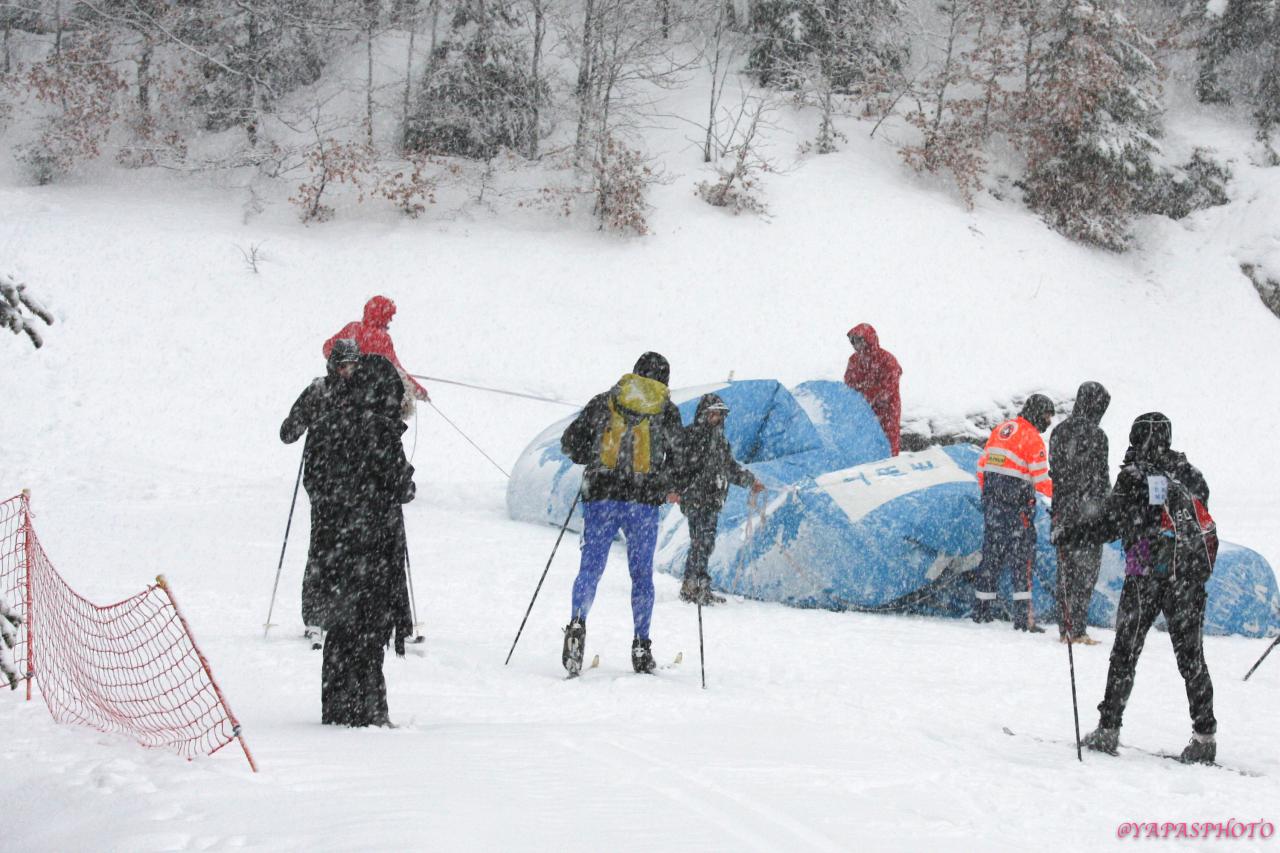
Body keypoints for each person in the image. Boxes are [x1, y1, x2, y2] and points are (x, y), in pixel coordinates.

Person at [1079, 413, 1218, 764]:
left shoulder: (1133, 475)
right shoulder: (1188, 474)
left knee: (1126, 650)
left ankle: (1108, 727)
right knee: (1192, 657)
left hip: (1145, 566)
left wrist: (1072, 533)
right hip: (1187, 573)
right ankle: (1205, 736)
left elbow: (1110, 523)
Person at [304, 354, 416, 726]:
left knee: (340, 630)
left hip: (332, 545)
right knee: (369, 634)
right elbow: (399, 486)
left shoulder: (326, 424)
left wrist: (339, 509)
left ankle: (336, 708)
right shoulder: (382, 431)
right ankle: (369, 711)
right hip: (374, 549)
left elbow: (314, 481)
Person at [559, 352, 685, 676]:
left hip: (601, 497)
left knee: (591, 568)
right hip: (643, 503)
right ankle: (641, 645)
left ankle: (577, 623)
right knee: (642, 575)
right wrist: (667, 485)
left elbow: (571, 442)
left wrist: (595, 460)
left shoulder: (606, 400)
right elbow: (681, 458)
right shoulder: (666, 410)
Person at [280, 339, 362, 639]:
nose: (348, 372)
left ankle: (347, 614)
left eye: (353, 366)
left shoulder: (362, 393)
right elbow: (288, 433)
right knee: (323, 549)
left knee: (352, 552)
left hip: (355, 485)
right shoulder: (318, 391)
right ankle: (316, 616)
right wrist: (306, 418)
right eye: (343, 366)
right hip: (324, 484)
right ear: (333, 366)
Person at [973, 394, 1055, 631]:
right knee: (1023, 560)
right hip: (1017, 507)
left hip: (993, 504)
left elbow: (982, 467)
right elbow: (1041, 481)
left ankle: (981, 611)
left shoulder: (1002, 429)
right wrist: (1064, 494)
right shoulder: (1032, 439)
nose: (1048, 422)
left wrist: (991, 496)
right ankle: (1023, 619)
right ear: (1039, 413)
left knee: (991, 555)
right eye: (1048, 416)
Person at [673, 394, 764, 606]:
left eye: (720, 415)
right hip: (695, 497)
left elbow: (730, 468)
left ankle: (696, 584)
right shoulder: (690, 436)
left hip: (712, 499)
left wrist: (750, 482)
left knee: (706, 541)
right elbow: (677, 467)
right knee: (700, 541)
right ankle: (693, 585)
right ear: (704, 414)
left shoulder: (720, 441)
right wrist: (677, 489)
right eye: (714, 414)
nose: (717, 418)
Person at [1048, 381, 1111, 645]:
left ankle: (1065, 629)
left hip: (1062, 510)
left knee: (1065, 572)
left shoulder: (1058, 431)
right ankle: (1078, 630)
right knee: (1085, 575)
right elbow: (1101, 477)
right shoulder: (1098, 435)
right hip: (1088, 513)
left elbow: (1055, 470)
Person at [323, 295, 430, 416]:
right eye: (389, 316)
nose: (390, 320)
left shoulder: (352, 328)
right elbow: (397, 370)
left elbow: (327, 348)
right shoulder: (381, 339)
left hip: (341, 394)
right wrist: (419, 391)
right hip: (370, 400)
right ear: (383, 316)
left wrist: (346, 365)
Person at [844, 324, 903, 456]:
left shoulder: (888, 360)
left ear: (868, 340)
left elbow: (888, 389)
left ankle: (890, 470)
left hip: (886, 410)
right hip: (862, 411)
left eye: (858, 340)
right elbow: (849, 383)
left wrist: (864, 396)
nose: (855, 345)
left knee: (888, 443)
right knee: (863, 445)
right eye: (853, 341)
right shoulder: (854, 360)